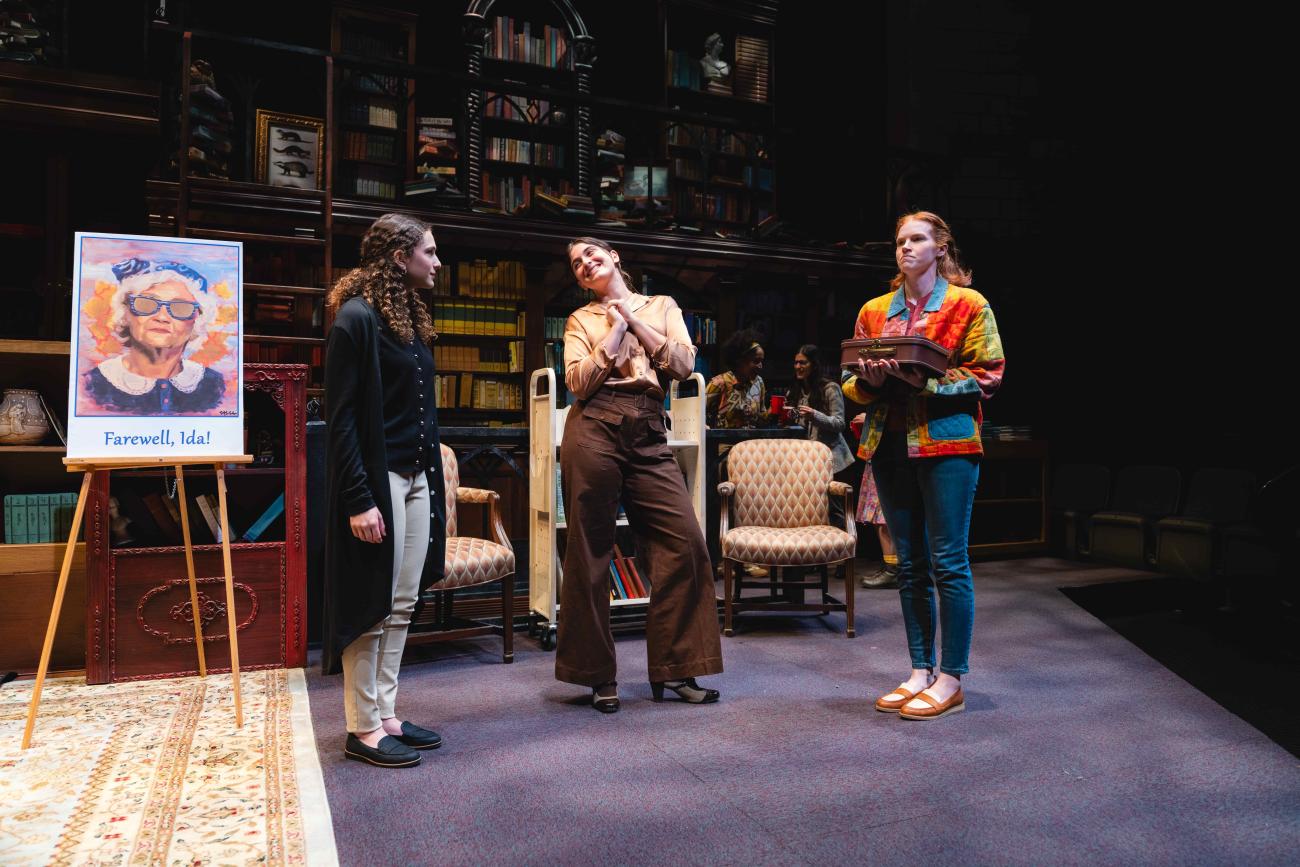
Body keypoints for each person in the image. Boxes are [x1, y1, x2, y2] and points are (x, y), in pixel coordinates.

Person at [842, 211, 1004, 720]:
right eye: (900, 241)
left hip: (946, 445)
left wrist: (925, 381)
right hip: (889, 444)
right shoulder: (874, 310)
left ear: (940, 248)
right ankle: (919, 670)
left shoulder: (967, 304)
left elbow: (989, 374)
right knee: (908, 565)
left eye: (916, 240)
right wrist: (868, 381)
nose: (906, 248)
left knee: (948, 563)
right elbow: (851, 384)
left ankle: (952, 677)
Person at [558, 236, 723, 712]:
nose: (585, 264)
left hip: (650, 428)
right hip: (594, 427)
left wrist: (631, 320)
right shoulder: (580, 320)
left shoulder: (662, 305)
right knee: (590, 550)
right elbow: (577, 383)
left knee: (685, 542)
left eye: (591, 254)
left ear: (613, 256)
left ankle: (676, 669)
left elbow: (684, 364)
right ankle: (597, 676)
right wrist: (611, 332)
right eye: (576, 264)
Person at [322, 213, 447, 767]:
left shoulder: (411, 319)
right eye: (430, 252)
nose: (437, 263)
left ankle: (387, 714)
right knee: (371, 606)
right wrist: (359, 499)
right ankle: (362, 727)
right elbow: (342, 421)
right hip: (379, 481)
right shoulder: (356, 319)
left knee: (401, 602)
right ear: (401, 257)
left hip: (418, 476)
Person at [83, 258, 225, 415]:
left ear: (197, 320)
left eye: (181, 308)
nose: (162, 317)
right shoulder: (92, 384)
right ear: (125, 314)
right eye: (146, 304)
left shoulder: (215, 385)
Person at [791, 344, 855, 527]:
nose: (798, 367)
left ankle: (843, 549)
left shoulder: (830, 388)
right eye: (795, 363)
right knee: (810, 508)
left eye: (803, 363)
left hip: (832, 460)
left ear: (814, 365)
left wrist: (814, 415)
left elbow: (839, 423)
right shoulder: (798, 390)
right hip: (807, 460)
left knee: (835, 510)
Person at [852, 411, 900, 589]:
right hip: (879, 452)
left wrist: (872, 418)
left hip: (892, 456)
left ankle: (893, 570)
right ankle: (890, 566)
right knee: (878, 517)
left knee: (883, 516)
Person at [706, 329, 766, 429]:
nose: (760, 366)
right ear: (740, 360)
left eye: (761, 361)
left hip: (751, 442)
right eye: (756, 361)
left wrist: (773, 411)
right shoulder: (719, 383)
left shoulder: (759, 383)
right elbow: (698, 414)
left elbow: (761, 420)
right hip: (725, 443)